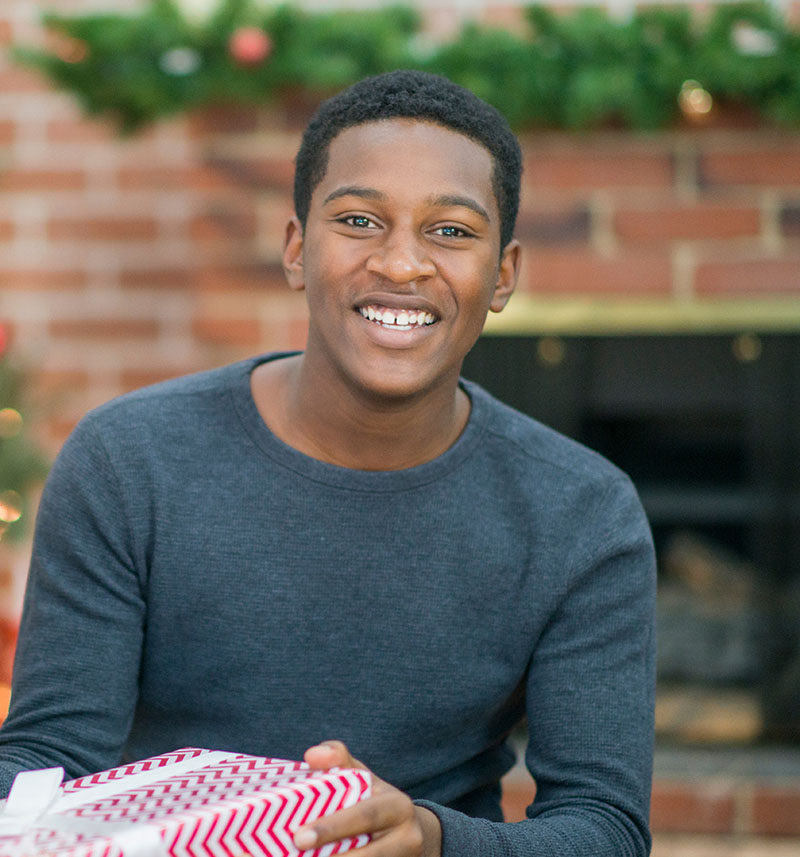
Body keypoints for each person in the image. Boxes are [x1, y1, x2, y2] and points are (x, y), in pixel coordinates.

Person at [0, 70, 656, 857]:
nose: (402, 263)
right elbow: (44, 766)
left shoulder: (582, 513)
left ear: (504, 275)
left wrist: (432, 838)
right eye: (358, 220)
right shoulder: (129, 462)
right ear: (297, 249)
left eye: (450, 230)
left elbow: (605, 828)